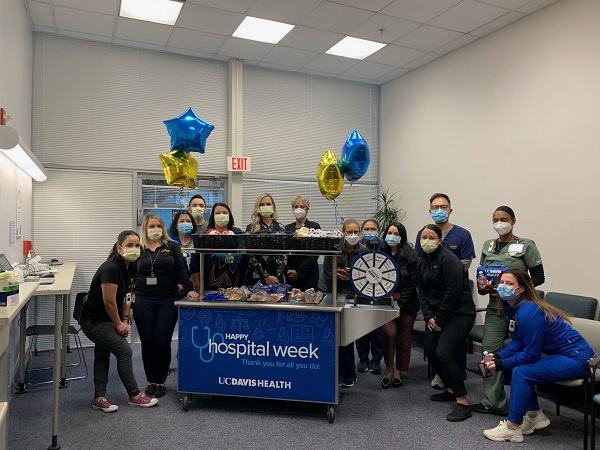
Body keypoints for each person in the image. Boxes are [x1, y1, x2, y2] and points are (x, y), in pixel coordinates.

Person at [482, 269, 592, 442]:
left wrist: (502, 364)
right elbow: (519, 341)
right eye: (501, 282)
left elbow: (531, 354)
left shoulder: (528, 310)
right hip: (562, 356)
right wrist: (499, 356)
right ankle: (535, 416)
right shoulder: (513, 307)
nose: (503, 286)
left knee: (521, 372)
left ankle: (512, 428)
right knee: (522, 369)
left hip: (578, 359)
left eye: (509, 283)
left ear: (520, 289)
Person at [470, 206, 545, 416]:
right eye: (495, 220)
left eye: (503, 219)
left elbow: (539, 277)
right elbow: (482, 278)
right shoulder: (488, 245)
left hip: (520, 311)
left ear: (513, 221)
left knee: (525, 355)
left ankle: (530, 408)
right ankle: (493, 401)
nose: (499, 223)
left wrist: (515, 289)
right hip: (496, 309)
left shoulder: (526, 245)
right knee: (488, 353)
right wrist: (484, 288)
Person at [79, 230, 158, 412]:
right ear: (119, 248)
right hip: (93, 320)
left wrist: (126, 314)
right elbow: (109, 302)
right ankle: (134, 395)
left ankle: (98, 398)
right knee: (124, 351)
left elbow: (128, 293)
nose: (134, 248)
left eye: (137, 245)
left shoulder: (131, 266)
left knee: (102, 354)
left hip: (107, 318)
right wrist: (118, 324)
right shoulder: (111, 268)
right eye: (129, 245)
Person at [135, 214, 199, 398]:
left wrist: (189, 290)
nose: (155, 229)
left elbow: (180, 269)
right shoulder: (139, 248)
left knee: (162, 341)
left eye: (158, 226)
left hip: (167, 298)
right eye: (151, 226)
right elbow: (131, 274)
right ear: (145, 229)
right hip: (143, 299)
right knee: (148, 341)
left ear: (163, 227)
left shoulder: (172, 246)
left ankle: (161, 380)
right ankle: (151, 380)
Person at [416, 193, 475, 390]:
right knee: (435, 349)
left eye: (443, 207)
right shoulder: (423, 234)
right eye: (435, 207)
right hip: (433, 301)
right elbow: (421, 263)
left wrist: (443, 272)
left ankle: (457, 380)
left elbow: (463, 266)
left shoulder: (462, 235)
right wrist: (430, 315)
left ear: (450, 210)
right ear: (429, 210)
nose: (439, 210)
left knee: (452, 347)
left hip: (455, 300)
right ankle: (444, 377)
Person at [418, 224, 475, 422]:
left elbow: (453, 293)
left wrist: (440, 320)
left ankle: (462, 402)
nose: (427, 241)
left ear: (440, 241)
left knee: (443, 354)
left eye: (431, 237)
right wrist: (428, 317)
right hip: (435, 316)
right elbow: (422, 290)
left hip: (459, 314)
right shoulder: (422, 261)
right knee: (430, 351)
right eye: (423, 237)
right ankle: (450, 389)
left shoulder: (449, 260)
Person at [318, 219, 366, 388]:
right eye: (349, 232)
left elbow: (365, 276)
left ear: (360, 233)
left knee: (347, 336)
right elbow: (327, 275)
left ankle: (349, 374)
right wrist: (336, 277)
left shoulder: (364, 251)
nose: (352, 235)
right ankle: (336, 373)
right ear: (342, 233)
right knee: (333, 337)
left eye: (355, 232)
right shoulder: (333, 248)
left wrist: (351, 278)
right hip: (332, 294)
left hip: (352, 296)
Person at [380, 222, 419, 389]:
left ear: (402, 236)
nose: (392, 236)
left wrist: (401, 303)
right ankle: (388, 367)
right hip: (386, 301)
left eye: (396, 234)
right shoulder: (380, 253)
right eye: (389, 233)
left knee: (404, 339)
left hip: (407, 302)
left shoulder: (411, 255)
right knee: (389, 334)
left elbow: (412, 282)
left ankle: (398, 371)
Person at [190, 202, 245, 292]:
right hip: (210, 286)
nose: (221, 215)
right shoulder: (205, 236)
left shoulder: (238, 233)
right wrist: (197, 286)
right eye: (218, 213)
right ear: (213, 216)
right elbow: (195, 262)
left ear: (229, 215)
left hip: (236, 286)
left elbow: (245, 256)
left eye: (225, 213)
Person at [355, 219, 384, 375]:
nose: (370, 232)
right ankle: (363, 359)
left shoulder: (384, 247)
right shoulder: (356, 246)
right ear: (361, 231)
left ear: (378, 231)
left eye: (373, 229)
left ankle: (376, 360)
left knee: (377, 329)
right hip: (360, 290)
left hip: (380, 291)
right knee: (361, 327)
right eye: (366, 229)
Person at [245, 193, 286, 286]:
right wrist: (266, 276)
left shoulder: (281, 227)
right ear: (258, 207)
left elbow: (285, 254)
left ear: (273, 206)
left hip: (277, 277)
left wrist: (277, 275)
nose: (265, 206)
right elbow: (249, 254)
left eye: (268, 204)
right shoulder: (251, 228)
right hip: (257, 276)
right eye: (262, 204)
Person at [284, 195, 320, 291]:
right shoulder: (287, 228)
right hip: (290, 274)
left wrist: (299, 272)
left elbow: (315, 253)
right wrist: (287, 270)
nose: (299, 209)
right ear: (292, 208)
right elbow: (284, 252)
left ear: (307, 209)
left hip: (309, 274)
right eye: (296, 206)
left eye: (302, 207)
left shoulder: (314, 227)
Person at [168, 210, 197, 276]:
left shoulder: (197, 241)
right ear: (176, 226)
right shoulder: (169, 240)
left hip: (195, 278)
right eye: (182, 221)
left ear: (192, 225)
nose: (185, 223)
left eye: (188, 221)